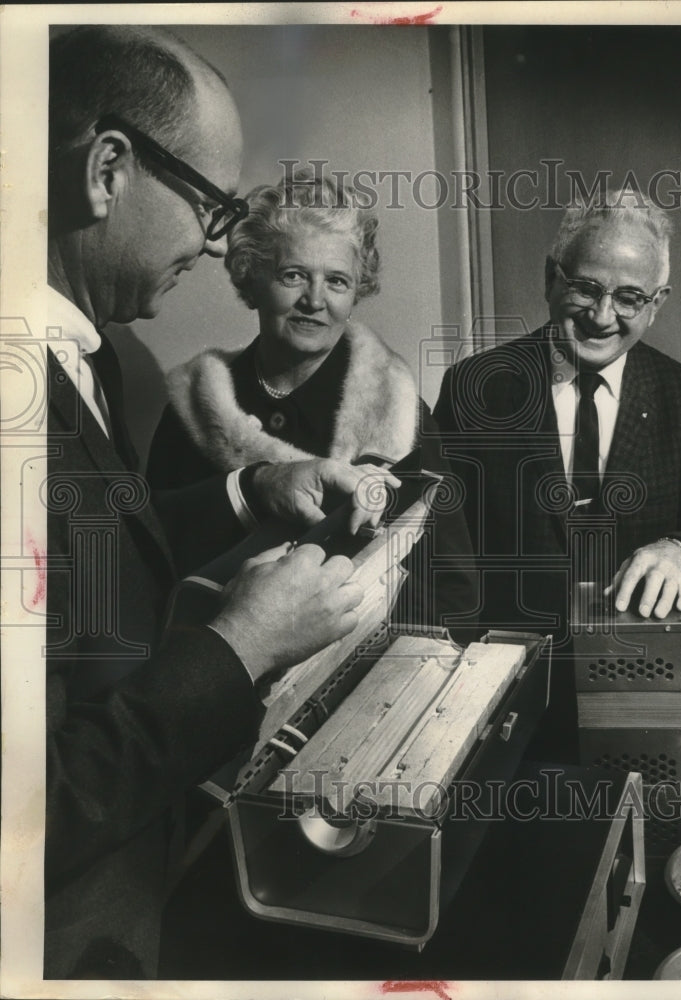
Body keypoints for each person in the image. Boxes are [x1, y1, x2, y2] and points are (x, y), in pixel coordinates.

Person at [45, 26, 391, 979]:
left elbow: (93, 564)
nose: (212, 240)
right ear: (108, 169)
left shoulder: (86, 355)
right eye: (207, 202)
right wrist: (242, 645)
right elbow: (37, 804)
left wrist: (252, 490)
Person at [433, 192, 681, 758]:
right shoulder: (474, 387)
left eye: (630, 297)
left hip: (636, 690)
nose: (603, 316)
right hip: (497, 700)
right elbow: (438, 549)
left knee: (633, 833)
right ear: (550, 280)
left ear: (657, 304)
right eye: (585, 287)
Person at [147, 169, 478, 633]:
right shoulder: (196, 407)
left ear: (356, 294)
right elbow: (148, 562)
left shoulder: (400, 413)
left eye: (337, 282)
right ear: (252, 276)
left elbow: (453, 588)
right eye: (293, 275)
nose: (314, 300)